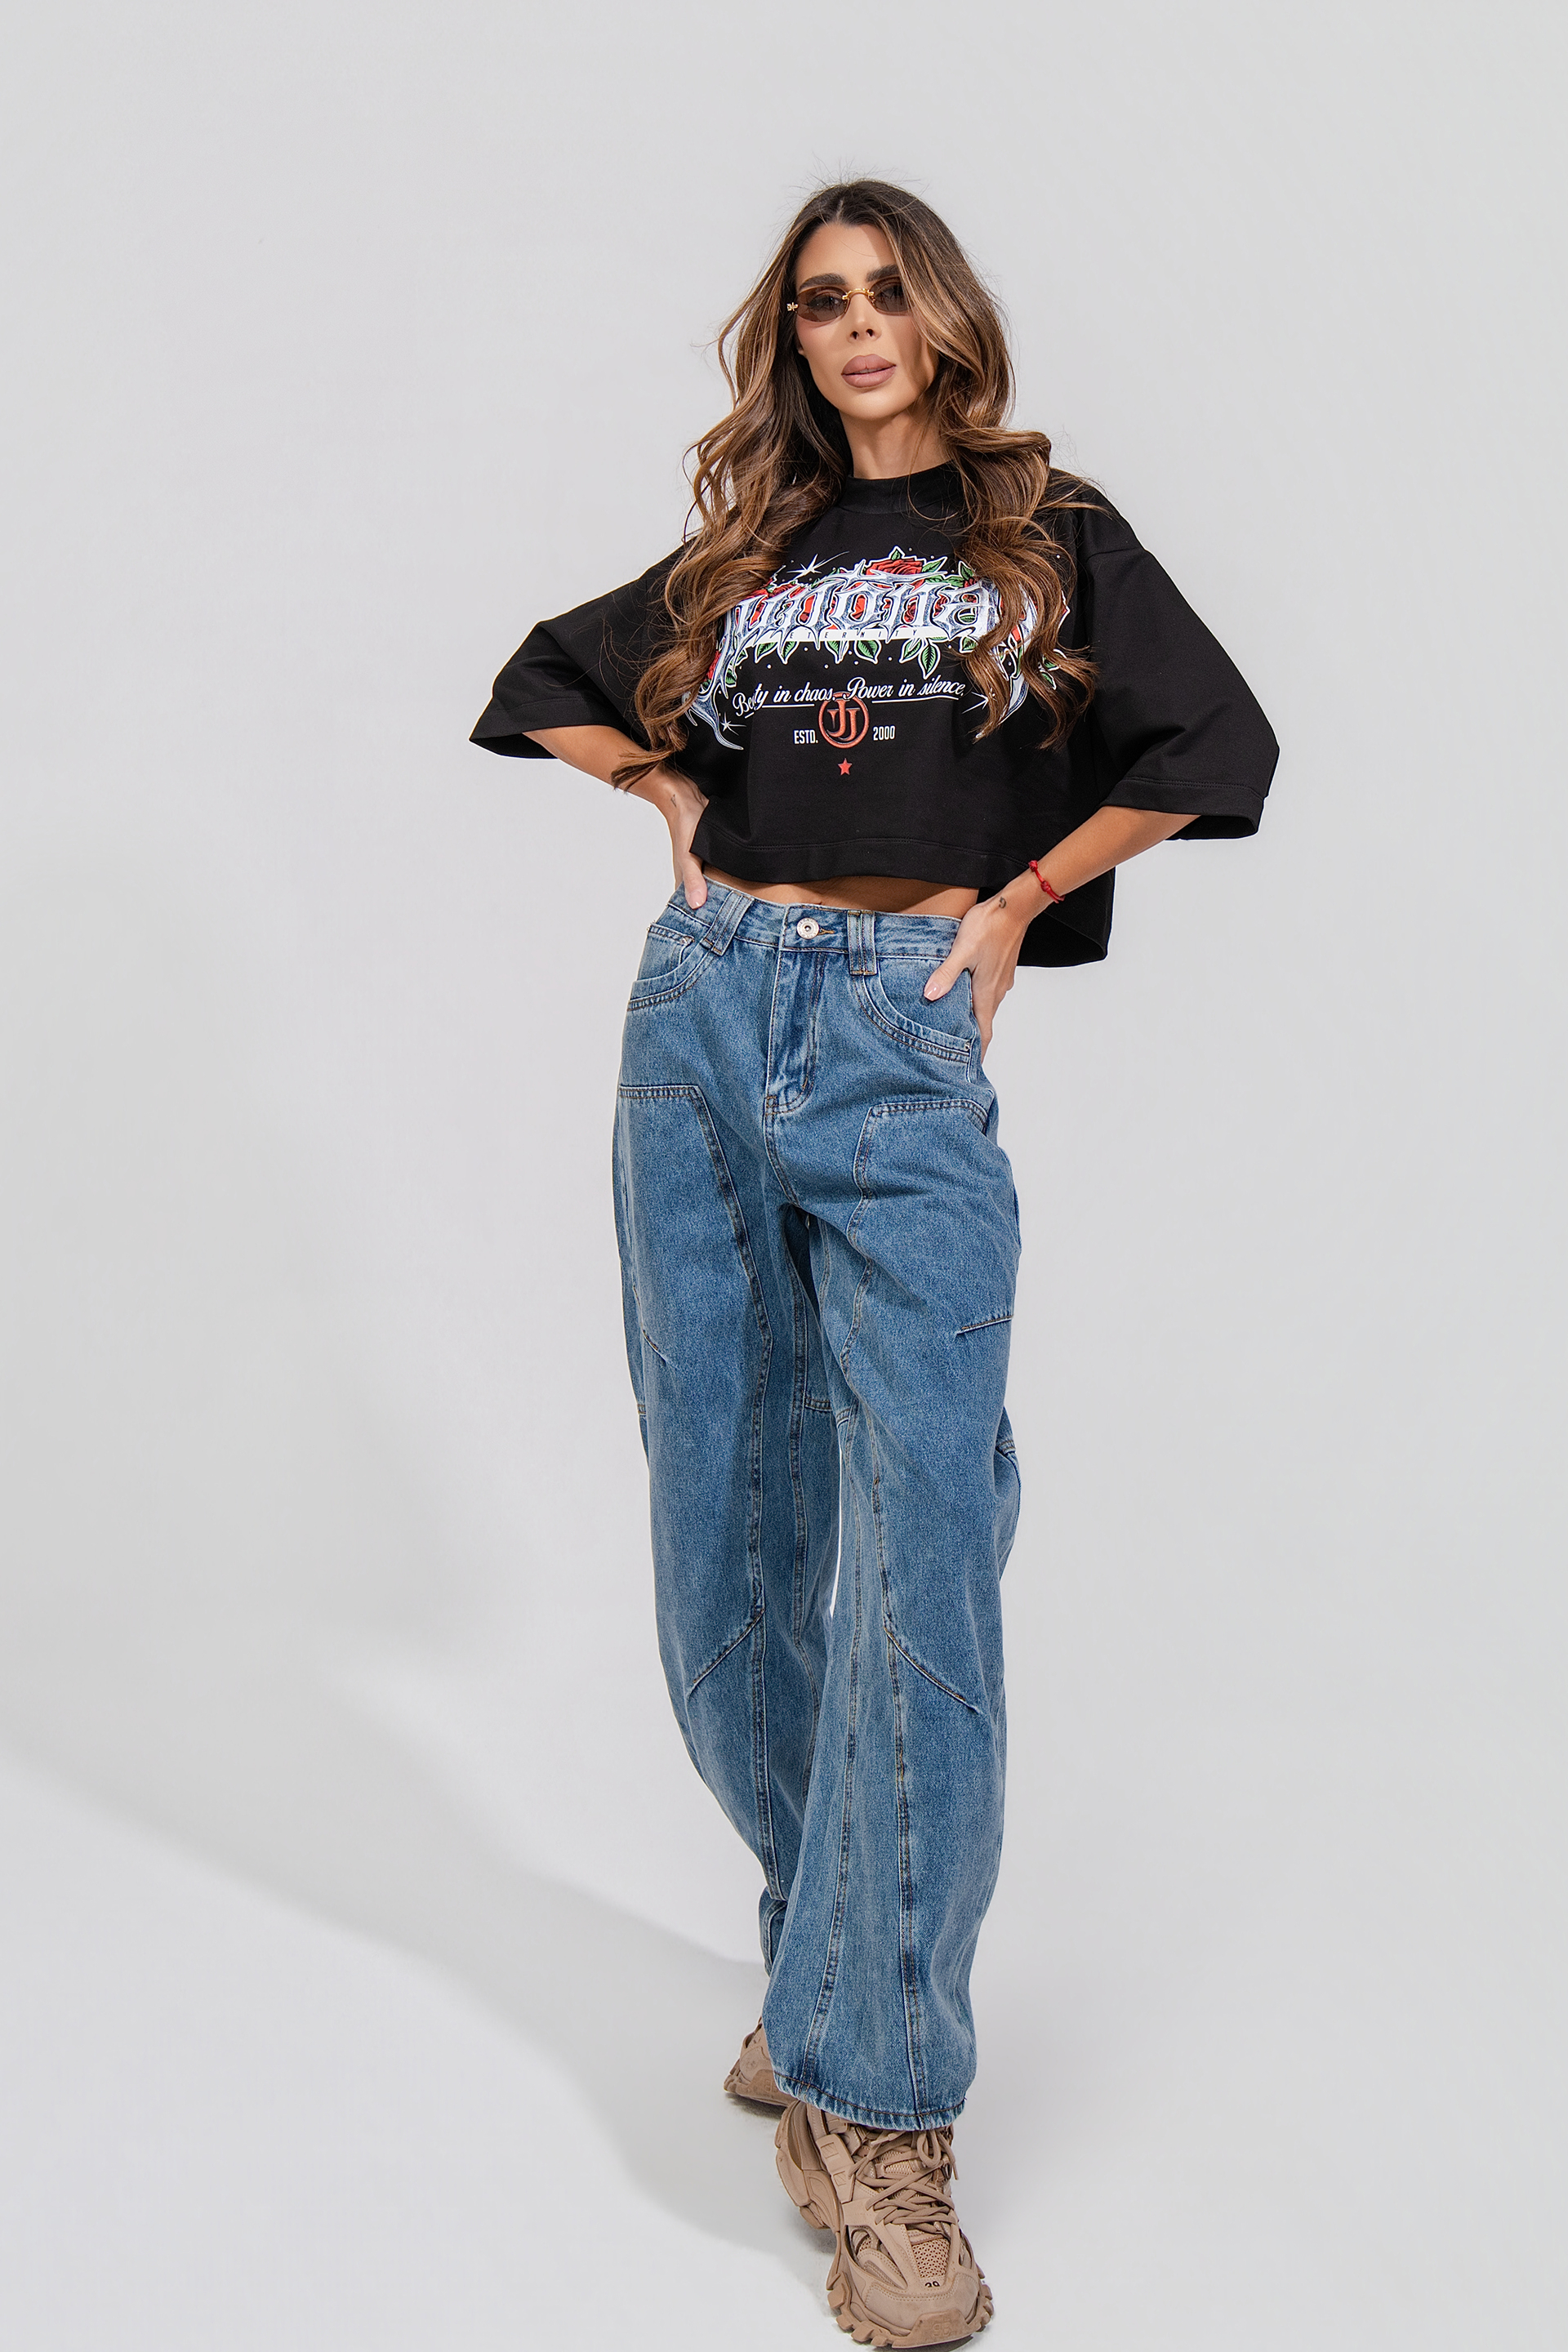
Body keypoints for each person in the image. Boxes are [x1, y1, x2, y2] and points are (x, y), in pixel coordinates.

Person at [471, 178, 1276, 2348]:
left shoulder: (1044, 531)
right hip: (701, 1022)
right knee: (726, 1547)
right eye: (821, 302)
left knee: (925, 1543)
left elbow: (1216, 745)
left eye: (887, 294)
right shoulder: (749, 553)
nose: (856, 328)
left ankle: (888, 2119)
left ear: (944, 321)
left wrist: (1011, 908)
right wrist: (671, 803)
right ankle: (827, 1962)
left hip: (901, 1042)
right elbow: (543, 679)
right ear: (793, 339)